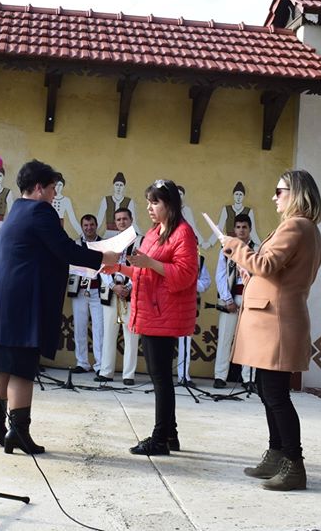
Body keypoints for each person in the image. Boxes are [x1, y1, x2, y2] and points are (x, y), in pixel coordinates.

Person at [0, 159, 117, 455]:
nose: (56, 194)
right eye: (53, 187)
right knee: (22, 366)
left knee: (1, 363)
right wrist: (104, 258)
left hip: (3, 296)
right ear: (39, 188)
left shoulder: (16, 210)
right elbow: (65, 249)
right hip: (25, 299)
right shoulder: (40, 211)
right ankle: (18, 432)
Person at [219, 169, 321, 491]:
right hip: (275, 320)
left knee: (276, 395)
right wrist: (247, 265)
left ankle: (293, 464)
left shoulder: (296, 226)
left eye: (279, 191)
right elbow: (274, 273)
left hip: (276, 322)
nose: (274, 197)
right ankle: (277, 454)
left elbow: (265, 265)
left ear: (296, 193)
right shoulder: (305, 228)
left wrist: (237, 246)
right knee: (267, 391)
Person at [107, 179, 198, 456]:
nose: (149, 207)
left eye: (155, 202)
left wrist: (149, 263)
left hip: (163, 314)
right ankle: (170, 435)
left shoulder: (183, 233)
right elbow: (144, 272)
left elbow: (185, 275)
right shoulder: (155, 232)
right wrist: (118, 268)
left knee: (161, 378)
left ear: (170, 205)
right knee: (160, 377)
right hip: (151, 311)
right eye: (148, 202)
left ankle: (160, 438)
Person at [96, 208, 140, 385]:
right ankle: (106, 371)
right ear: (115, 222)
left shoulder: (140, 242)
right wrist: (113, 286)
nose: (122, 222)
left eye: (124, 219)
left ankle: (129, 374)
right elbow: (102, 267)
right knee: (108, 333)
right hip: (111, 292)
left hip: (131, 292)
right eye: (118, 219)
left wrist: (128, 287)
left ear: (131, 220)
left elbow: (142, 269)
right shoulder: (110, 242)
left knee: (131, 334)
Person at [213, 214, 255, 390]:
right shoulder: (226, 249)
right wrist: (227, 299)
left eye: (244, 227)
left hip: (250, 299)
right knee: (225, 337)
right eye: (238, 227)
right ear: (234, 229)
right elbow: (220, 276)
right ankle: (220, 376)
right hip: (230, 298)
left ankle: (248, 379)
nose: (241, 230)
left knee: (250, 339)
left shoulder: (257, 250)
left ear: (250, 229)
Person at [67, 214, 105, 374]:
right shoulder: (75, 244)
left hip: (98, 292)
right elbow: (70, 266)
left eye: (91, 225)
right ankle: (82, 362)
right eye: (86, 225)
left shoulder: (103, 244)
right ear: (82, 227)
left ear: (96, 225)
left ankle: (100, 365)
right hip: (80, 291)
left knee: (99, 328)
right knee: (79, 327)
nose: (89, 228)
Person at [175, 253, 210, 388]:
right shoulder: (173, 256)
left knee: (185, 340)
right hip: (170, 303)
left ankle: (183, 375)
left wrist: (191, 282)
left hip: (189, 304)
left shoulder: (199, 259)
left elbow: (206, 282)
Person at [96, 172, 138, 237]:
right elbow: (99, 220)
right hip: (109, 234)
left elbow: (133, 222)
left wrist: (140, 236)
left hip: (124, 234)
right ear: (113, 185)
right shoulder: (106, 200)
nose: (118, 187)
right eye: (117, 185)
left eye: (121, 185)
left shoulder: (129, 201)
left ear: (124, 187)